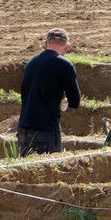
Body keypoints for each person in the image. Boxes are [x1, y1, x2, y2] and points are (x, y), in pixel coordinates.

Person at [17, 28, 81, 157]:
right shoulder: (64, 65)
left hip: (24, 128)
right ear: (67, 47)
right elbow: (75, 101)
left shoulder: (31, 62)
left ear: (46, 44)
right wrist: (65, 102)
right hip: (45, 129)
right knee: (45, 169)